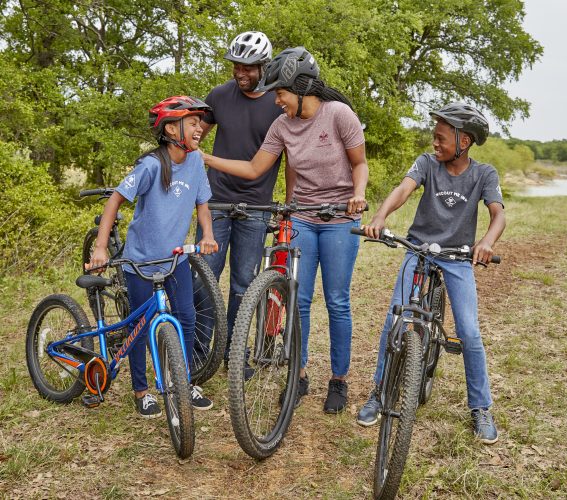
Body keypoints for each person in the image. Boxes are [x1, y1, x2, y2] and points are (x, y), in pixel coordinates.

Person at [202, 46, 368, 414]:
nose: (275, 100)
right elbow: (254, 169)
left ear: (302, 88)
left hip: (340, 218)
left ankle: (338, 380)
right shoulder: (282, 125)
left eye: (280, 92)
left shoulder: (339, 114)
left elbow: (360, 164)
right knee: (300, 300)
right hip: (304, 217)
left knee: (337, 300)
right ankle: (300, 374)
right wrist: (208, 158)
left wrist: (357, 195)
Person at [356, 102, 505, 444]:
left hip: (457, 258)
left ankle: (480, 408)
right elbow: (403, 190)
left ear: (463, 141)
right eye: (433, 136)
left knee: (468, 330)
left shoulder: (484, 174)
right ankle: (379, 392)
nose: (434, 143)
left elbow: (498, 215)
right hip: (419, 249)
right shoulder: (426, 164)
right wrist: (380, 217)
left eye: (441, 138)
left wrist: (487, 242)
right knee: (396, 319)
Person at [88, 96, 219, 418]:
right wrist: (101, 247)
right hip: (140, 261)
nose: (199, 127)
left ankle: (183, 382)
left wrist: (208, 235)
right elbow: (114, 201)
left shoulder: (195, 163)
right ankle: (142, 391)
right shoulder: (151, 165)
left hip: (176, 259)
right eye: (192, 122)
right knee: (140, 327)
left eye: (199, 122)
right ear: (171, 129)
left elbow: (202, 203)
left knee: (186, 319)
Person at [194, 31, 284, 377]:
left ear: (264, 66)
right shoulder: (217, 96)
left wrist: (286, 203)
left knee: (243, 284)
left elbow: (289, 154)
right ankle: (200, 352)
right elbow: (195, 136)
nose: (240, 73)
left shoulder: (278, 101)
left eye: (248, 67)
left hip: (256, 207)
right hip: (215, 202)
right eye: (236, 66)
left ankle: (234, 353)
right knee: (203, 277)